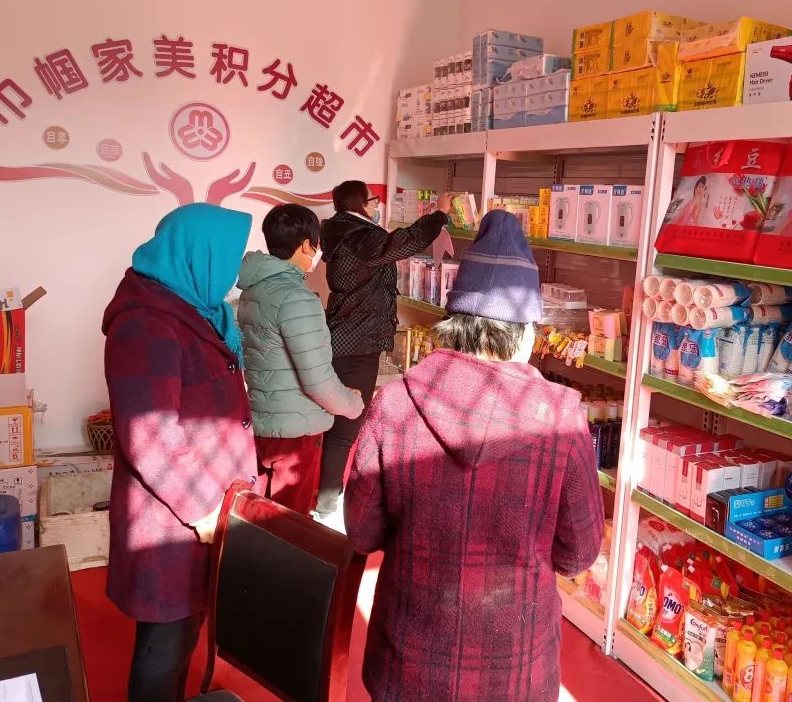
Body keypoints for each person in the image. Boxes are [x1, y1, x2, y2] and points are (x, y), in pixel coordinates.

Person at [344, 209, 605, 702]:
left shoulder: (396, 403)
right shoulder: (560, 418)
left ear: (454, 322)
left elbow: (362, 532)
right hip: (516, 667)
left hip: (408, 660)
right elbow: (578, 555)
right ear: (526, 331)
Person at [102, 204, 257, 702]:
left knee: (185, 631)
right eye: (228, 259)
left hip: (200, 510)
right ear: (197, 255)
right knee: (164, 649)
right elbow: (151, 436)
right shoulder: (145, 323)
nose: (233, 275)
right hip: (172, 520)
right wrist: (206, 510)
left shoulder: (200, 311)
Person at [313, 181, 451, 527]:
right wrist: (439, 215)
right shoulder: (360, 237)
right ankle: (327, 507)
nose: (378, 205)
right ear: (360, 203)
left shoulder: (341, 232)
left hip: (347, 337)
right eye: (374, 200)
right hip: (357, 343)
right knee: (345, 429)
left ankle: (324, 499)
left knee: (338, 425)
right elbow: (404, 242)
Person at [236, 204, 364, 515]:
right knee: (289, 526)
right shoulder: (297, 298)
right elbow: (317, 380)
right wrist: (352, 404)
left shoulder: (253, 292)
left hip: (263, 424)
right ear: (307, 245)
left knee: (257, 518)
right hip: (296, 432)